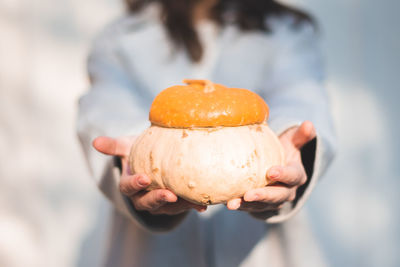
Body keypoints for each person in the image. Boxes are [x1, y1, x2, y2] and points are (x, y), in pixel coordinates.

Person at [77, 0, 336, 266]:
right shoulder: (119, 38)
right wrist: (140, 153)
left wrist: (289, 138)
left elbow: (299, 96)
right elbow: (107, 105)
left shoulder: (287, 31)